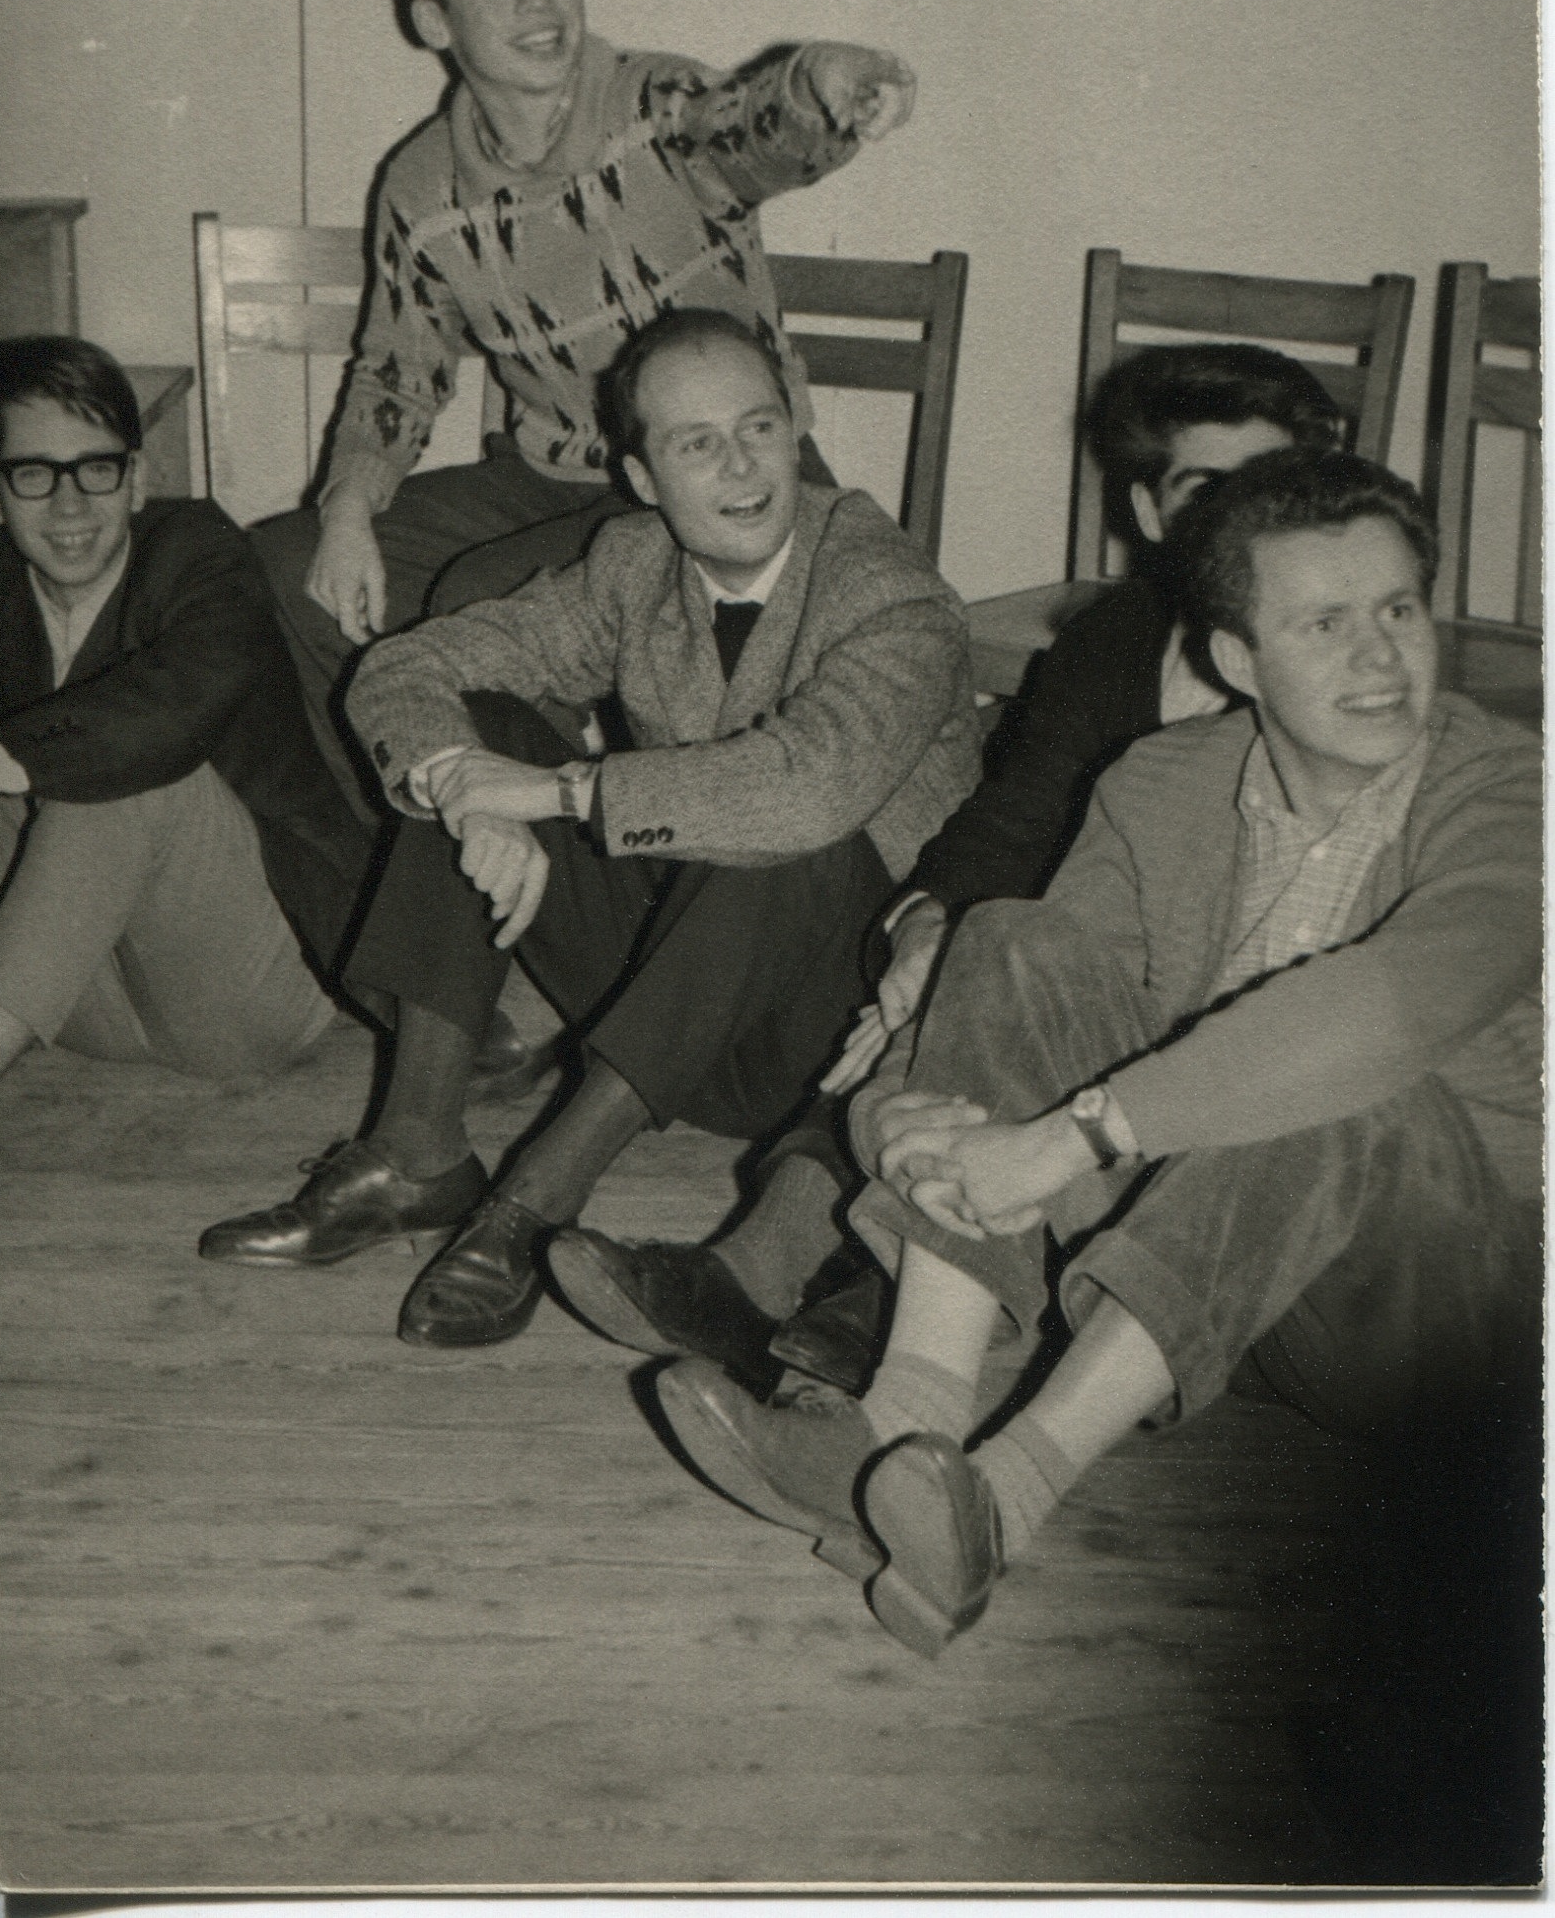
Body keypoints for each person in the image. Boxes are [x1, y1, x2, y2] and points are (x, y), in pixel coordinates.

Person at [655, 450, 1541, 1657]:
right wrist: (899, 1120)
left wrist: (1067, 1140)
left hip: (1446, 1318)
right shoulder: (1162, 782)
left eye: (1398, 612)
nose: (1380, 659)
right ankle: (901, 1420)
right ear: (1236, 660)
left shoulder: (1513, 794)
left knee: (1326, 1072)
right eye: (1325, 624)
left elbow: (1390, 1009)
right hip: (1199, 1269)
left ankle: (1006, 1495)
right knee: (1010, 940)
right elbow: (1011, 1020)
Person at [552, 342, 1341, 1394]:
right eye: (1205, 491)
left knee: (994, 989)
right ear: (1151, 515)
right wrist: (930, 925)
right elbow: (1013, 814)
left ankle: (830, 1286)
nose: (1240, 519)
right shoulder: (1117, 639)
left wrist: (989, 970)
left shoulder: (1337, 672)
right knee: (954, 966)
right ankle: (794, 1281)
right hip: (1084, 987)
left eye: (1269, 486)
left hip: (1227, 1051)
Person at [200, 309, 981, 1364]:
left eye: (759, 428)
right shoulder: (635, 563)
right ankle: (416, 1151)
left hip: (822, 1040)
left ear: (796, 431)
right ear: (642, 478)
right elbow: (408, 665)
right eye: (696, 443)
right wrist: (471, 790)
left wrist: (556, 794)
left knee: (784, 835)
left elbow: (809, 789)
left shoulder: (890, 589)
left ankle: (533, 1201)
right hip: (662, 995)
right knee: (472, 735)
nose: (741, 467)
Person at [252, 0, 917, 820]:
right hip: (555, 477)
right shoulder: (420, 186)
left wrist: (827, 81)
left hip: (720, 468)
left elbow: (756, 124)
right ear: (434, 22)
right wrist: (350, 506)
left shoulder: (657, 107)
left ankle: (568, 848)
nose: (538, 1)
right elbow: (399, 371)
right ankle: (399, 841)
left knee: (483, 596)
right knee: (291, 564)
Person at [0, 336, 372, 1093]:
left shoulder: (200, 550)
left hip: (246, 992)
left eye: (97, 469)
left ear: (138, 480)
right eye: (33, 474)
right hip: (83, 1005)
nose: (69, 506)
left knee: (123, 771)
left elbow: (173, 709)